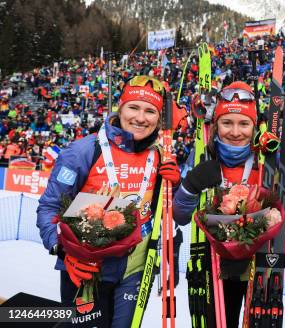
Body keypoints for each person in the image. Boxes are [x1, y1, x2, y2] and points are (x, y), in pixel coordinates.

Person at [36, 76, 182, 327]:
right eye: (133, 107)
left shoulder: (159, 156)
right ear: (120, 107)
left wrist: (176, 186)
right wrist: (62, 249)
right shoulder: (84, 151)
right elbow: (49, 207)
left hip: (135, 269)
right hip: (88, 266)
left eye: (150, 111)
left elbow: (169, 214)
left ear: (159, 118)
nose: (140, 117)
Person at [173, 81, 260, 328]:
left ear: (254, 127)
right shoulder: (201, 156)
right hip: (212, 265)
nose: (235, 131)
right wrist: (191, 185)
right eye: (227, 123)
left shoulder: (265, 160)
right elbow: (179, 215)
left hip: (257, 265)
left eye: (244, 123)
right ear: (216, 125)